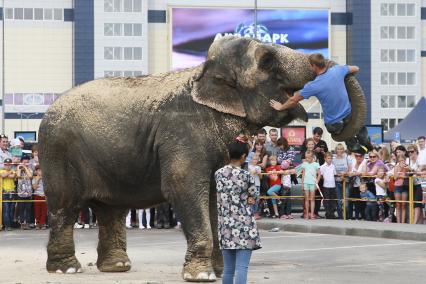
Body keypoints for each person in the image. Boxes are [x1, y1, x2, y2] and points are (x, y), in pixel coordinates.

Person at [269, 53, 371, 152]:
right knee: (358, 127)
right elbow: (356, 68)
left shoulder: (313, 85)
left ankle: (353, 146)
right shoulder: (337, 70)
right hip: (349, 114)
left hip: (334, 123)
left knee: (343, 132)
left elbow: (293, 100)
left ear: (313, 66)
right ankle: (367, 143)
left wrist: (281, 107)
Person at [215, 140, 261, 284]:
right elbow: (255, 196)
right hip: (244, 226)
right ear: (243, 156)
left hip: (225, 227)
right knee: (242, 268)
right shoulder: (246, 175)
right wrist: (249, 198)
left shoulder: (218, 174)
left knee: (228, 269)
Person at [298, 150, 321, 219]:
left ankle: (312, 214)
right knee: (307, 199)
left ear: (312, 157)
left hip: (313, 183)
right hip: (306, 183)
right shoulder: (304, 164)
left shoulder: (316, 164)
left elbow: (319, 174)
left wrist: (317, 182)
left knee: (312, 199)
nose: (307, 159)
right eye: (306, 158)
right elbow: (303, 174)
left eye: (309, 158)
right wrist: (302, 184)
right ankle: (307, 214)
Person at [332, 143, 352, 219]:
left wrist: (345, 173)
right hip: (337, 182)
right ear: (336, 150)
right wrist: (337, 174)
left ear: (343, 150)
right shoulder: (333, 159)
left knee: (346, 201)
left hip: (346, 182)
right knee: (339, 201)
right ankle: (340, 217)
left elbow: (350, 169)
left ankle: (346, 216)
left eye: (341, 149)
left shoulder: (347, 158)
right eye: (338, 149)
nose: (339, 150)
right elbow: (332, 170)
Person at [406, 144, 424, 224]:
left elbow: (419, 172)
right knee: (415, 203)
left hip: (420, 184)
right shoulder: (408, 160)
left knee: (417, 204)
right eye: (409, 152)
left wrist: (412, 170)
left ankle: (415, 222)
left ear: (416, 151)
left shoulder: (420, 159)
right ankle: (420, 222)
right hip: (411, 184)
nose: (410, 153)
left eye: (412, 151)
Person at [349, 148, 368, 220]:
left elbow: (365, 173)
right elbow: (349, 172)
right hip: (353, 184)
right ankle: (350, 217)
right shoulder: (353, 161)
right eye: (356, 156)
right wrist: (352, 173)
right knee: (351, 201)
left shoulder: (365, 162)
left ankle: (360, 217)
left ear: (363, 156)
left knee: (360, 202)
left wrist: (357, 173)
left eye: (360, 156)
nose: (358, 157)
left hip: (361, 185)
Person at [16, 156, 33, 230]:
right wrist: (20, 167)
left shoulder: (30, 169)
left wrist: (25, 168)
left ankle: (28, 223)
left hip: (28, 192)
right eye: (24, 162)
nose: (25, 163)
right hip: (21, 193)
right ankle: (22, 223)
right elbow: (18, 176)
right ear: (21, 162)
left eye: (27, 162)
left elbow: (30, 176)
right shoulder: (18, 168)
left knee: (28, 209)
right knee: (21, 209)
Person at [320, 152, 337, 219]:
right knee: (326, 200)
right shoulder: (322, 167)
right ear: (325, 158)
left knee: (333, 200)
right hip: (326, 186)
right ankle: (328, 213)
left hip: (333, 185)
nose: (329, 159)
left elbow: (335, 174)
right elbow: (320, 175)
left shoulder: (333, 166)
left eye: (331, 158)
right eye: (328, 158)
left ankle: (332, 213)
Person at [1, 158, 16, 231]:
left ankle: (10, 224)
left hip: (12, 192)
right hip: (5, 192)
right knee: (6, 210)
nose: (8, 166)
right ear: (4, 165)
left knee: (11, 209)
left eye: (9, 165)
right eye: (6, 165)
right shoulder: (1, 170)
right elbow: (3, 176)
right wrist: (9, 173)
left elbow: (12, 176)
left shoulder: (13, 171)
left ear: (11, 165)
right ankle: (7, 225)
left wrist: (8, 174)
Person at [394, 154, 409, 223]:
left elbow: (408, 176)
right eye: (400, 160)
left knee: (404, 205)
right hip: (397, 186)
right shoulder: (396, 167)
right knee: (398, 205)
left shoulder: (407, 167)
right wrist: (400, 169)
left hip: (404, 186)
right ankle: (398, 222)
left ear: (405, 160)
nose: (401, 162)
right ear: (398, 161)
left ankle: (403, 222)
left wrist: (405, 169)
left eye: (402, 160)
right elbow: (395, 177)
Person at [248, 154, 262, 220]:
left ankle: (255, 212)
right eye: (253, 159)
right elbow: (249, 174)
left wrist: (259, 174)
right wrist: (252, 172)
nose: (255, 161)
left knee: (257, 198)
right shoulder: (249, 166)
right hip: (251, 184)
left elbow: (261, 177)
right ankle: (251, 212)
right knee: (251, 198)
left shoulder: (259, 167)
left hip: (257, 184)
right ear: (251, 160)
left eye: (256, 159)